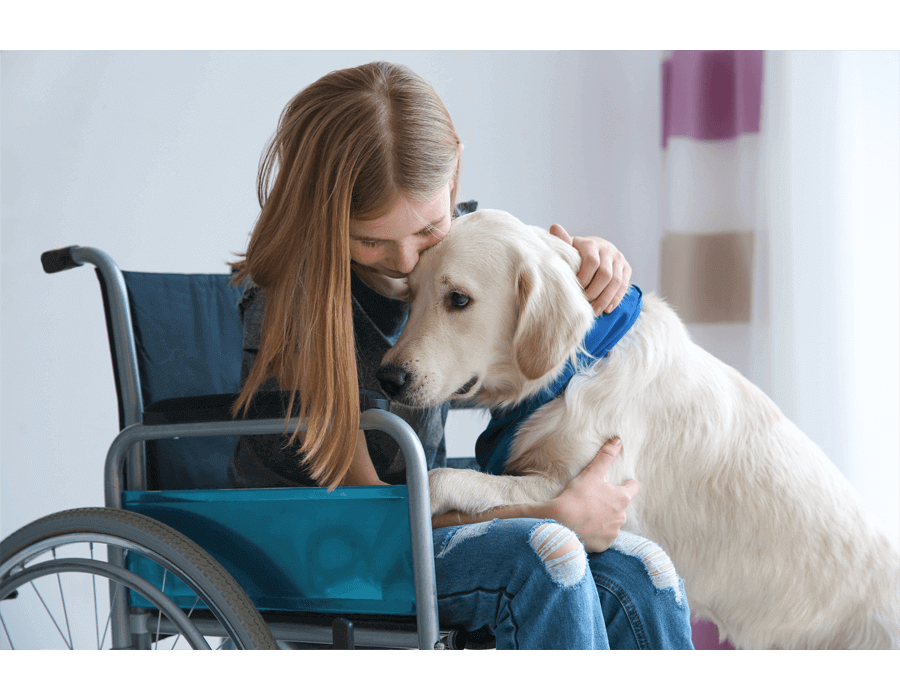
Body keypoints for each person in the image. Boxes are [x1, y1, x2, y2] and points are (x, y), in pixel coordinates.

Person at [229, 61, 694, 649]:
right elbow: (373, 519)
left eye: (426, 230)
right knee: (545, 552)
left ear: (452, 181)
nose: (403, 262)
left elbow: (515, 314)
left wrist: (584, 261)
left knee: (641, 570)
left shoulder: (445, 261)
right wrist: (555, 511)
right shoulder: (300, 310)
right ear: (322, 215)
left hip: (415, 527)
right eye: (370, 239)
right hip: (327, 549)